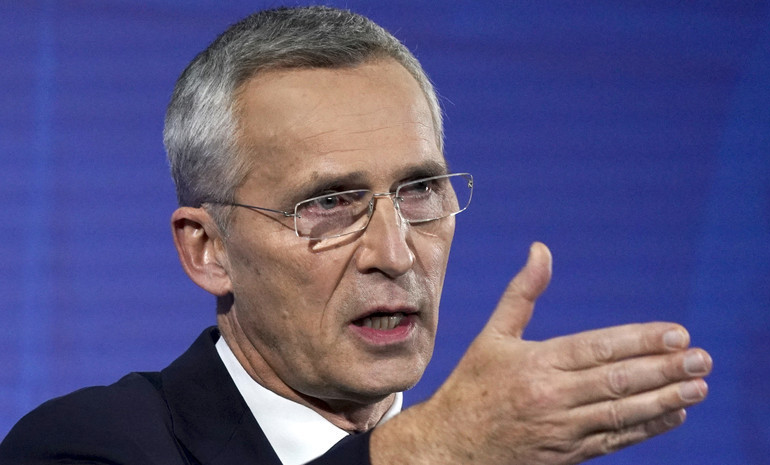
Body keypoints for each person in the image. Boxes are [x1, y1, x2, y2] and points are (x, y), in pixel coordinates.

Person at [0, 6, 712, 465]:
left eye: (420, 190)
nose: (394, 254)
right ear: (207, 250)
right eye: (329, 203)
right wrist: (430, 449)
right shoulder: (82, 446)